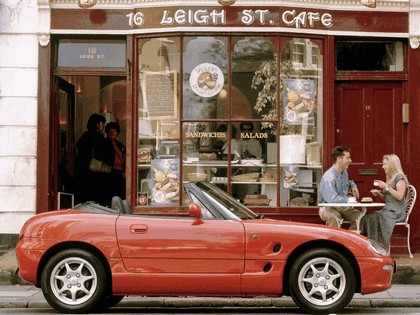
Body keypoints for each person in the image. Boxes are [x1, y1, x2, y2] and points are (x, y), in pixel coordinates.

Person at [360, 154, 408, 250]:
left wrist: (386, 187)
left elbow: (399, 196)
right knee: (368, 217)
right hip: (387, 210)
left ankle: (379, 247)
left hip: (396, 212)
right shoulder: (389, 178)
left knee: (372, 217)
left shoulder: (400, 177)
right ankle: (372, 245)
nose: (382, 166)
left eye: (385, 164)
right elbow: (389, 199)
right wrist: (379, 194)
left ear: (392, 164)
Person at [318, 146, 364, 230]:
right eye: (348, 158)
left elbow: (348, 181)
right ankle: (334, 241)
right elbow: (332, 199)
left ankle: (348, 240)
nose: (350, 160)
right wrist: (348, 200)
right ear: (339, 159)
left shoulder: (344, 171)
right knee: (336, 217)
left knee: (359, 217)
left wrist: (353, 185)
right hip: (328, 207)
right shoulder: (329, 177)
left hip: (342, 206)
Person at [74, 113, 107, 205]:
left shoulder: (85, 135)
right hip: (94, 171)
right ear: (97, 124)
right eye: (102, 123)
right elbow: (102, 154)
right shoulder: (99, 137)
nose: (104, 126)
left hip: (82, 171)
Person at [103, 122, 126, 204]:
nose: (112, 133)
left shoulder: (120, 144)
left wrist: (124, 171)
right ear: (107, 132)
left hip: (119, 173)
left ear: (117, 132)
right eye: (110, 131)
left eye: (114, 131)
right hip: (109, 172)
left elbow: (124, 158)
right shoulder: (104, 143)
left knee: (119, 194)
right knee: (109, 194)